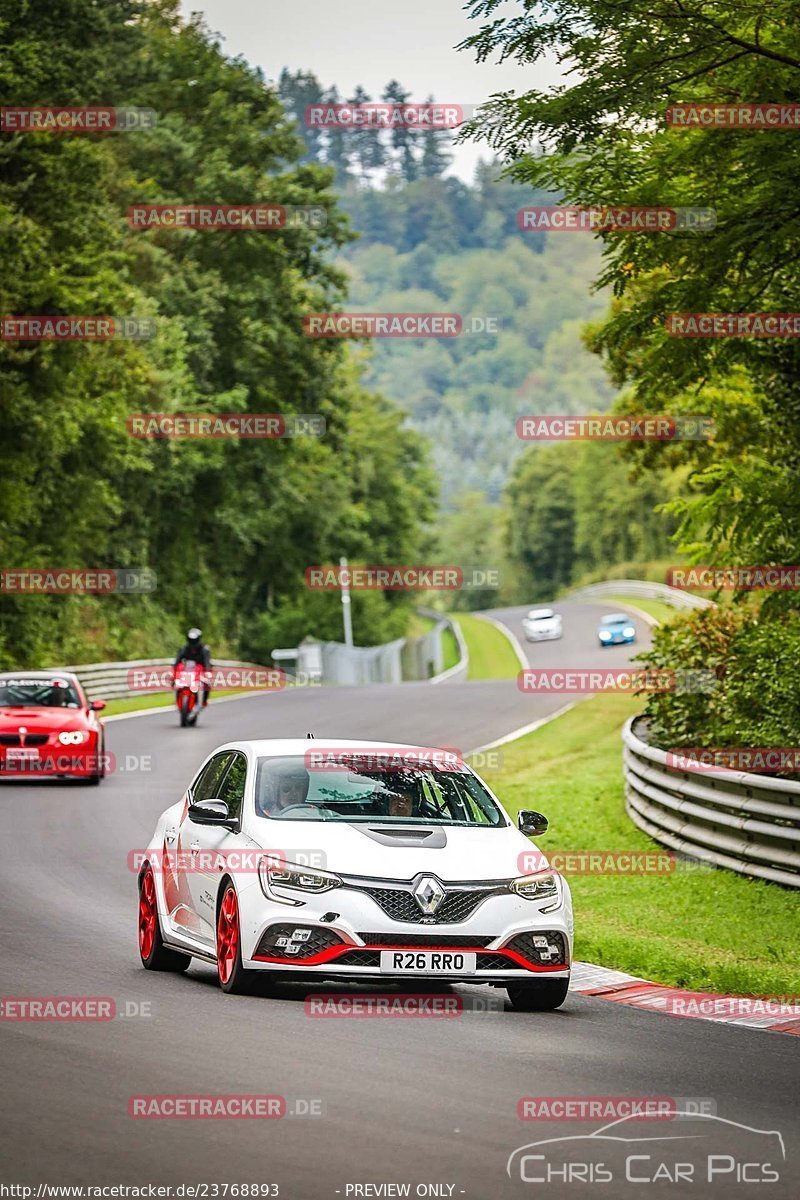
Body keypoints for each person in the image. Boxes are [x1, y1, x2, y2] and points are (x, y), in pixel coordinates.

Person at [172, 627, 212, 707]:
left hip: (200, 672)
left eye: (194, 640)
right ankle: (177, 699)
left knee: (207, 683)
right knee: (174, 681)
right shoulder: (184, 649)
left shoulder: (204, 650)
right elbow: (177, 661)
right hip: (187, 672)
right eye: (191, 640)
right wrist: (174, 672)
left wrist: (207, 672)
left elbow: (207, 662)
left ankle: (204, 701)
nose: (192, 643)